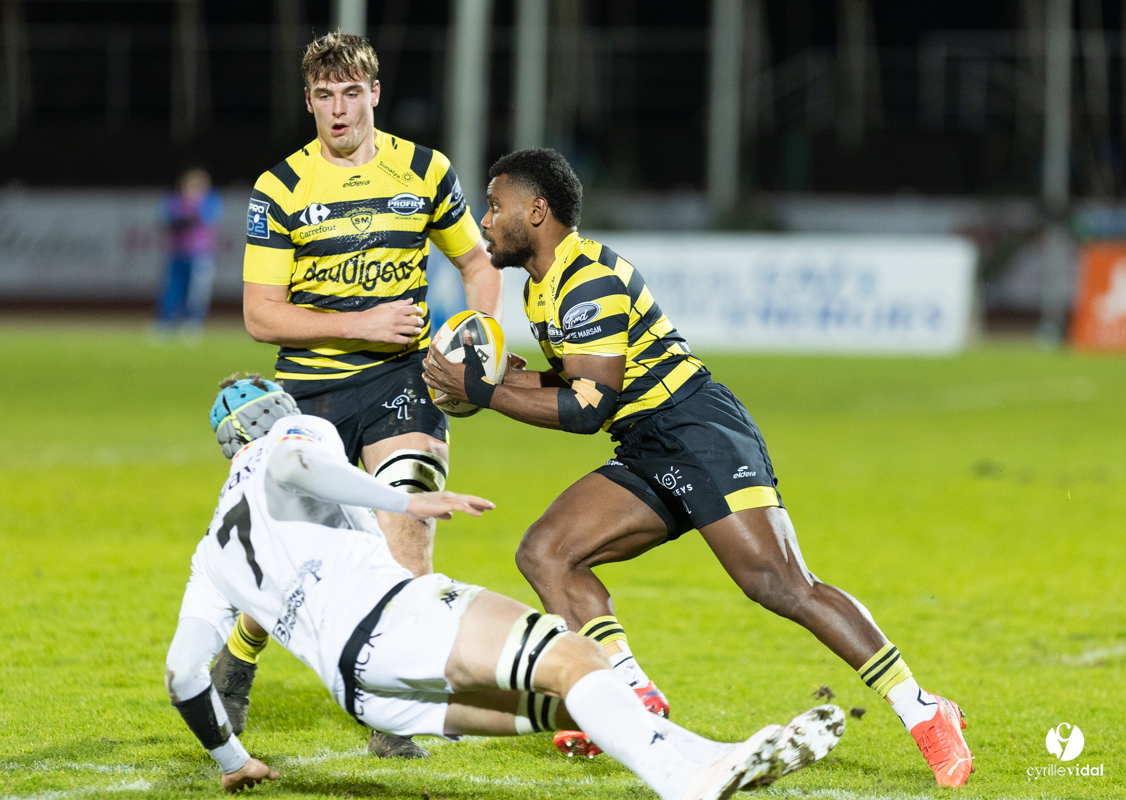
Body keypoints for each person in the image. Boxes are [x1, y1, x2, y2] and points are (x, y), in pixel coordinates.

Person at [421, 148, 974, 788]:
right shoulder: (542, 284)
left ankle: (925, 709)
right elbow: (588, 377)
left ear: (537, 212)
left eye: (496, 206)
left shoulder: (587, 277)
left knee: (780, 584)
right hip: (649, 440)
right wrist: (517, 378)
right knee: (548, 552)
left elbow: (587, 406)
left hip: (699, 431)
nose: (485, 220)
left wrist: (484, 390)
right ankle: (628, 694)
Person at [163, 374, 846, 798]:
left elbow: (182, 672)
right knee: (581, 657)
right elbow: (296, 461)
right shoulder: (293, 430)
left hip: (361, 693)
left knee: (572, 704)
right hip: (392, 620)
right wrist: (404, 502)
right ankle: (688, 782)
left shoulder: (209, 552)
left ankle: (719, 760)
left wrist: (234, 760)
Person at [236, 31, 507, 757]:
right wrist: (363, 322)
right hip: (309, 395)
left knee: (407, 540)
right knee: (293, 561)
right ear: (309, 101)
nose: (338, 109)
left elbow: (478, 266)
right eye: (323, 96)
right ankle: (239, 650)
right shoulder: (281, 188)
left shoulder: (424, 170)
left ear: (374, 95)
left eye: (351, 93)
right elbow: (261, 314)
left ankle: (393, 713)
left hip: (402, 386)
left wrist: (476, 332)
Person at [156, 167, 223, 341]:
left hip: (200, 254)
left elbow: (206, 218)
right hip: (178, 253)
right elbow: (167, 218)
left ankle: (193, 324)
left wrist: (189, 213)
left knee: (196, 293)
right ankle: (166, 323)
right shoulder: (176, 200)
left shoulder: (210, 200)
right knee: (173, 289)